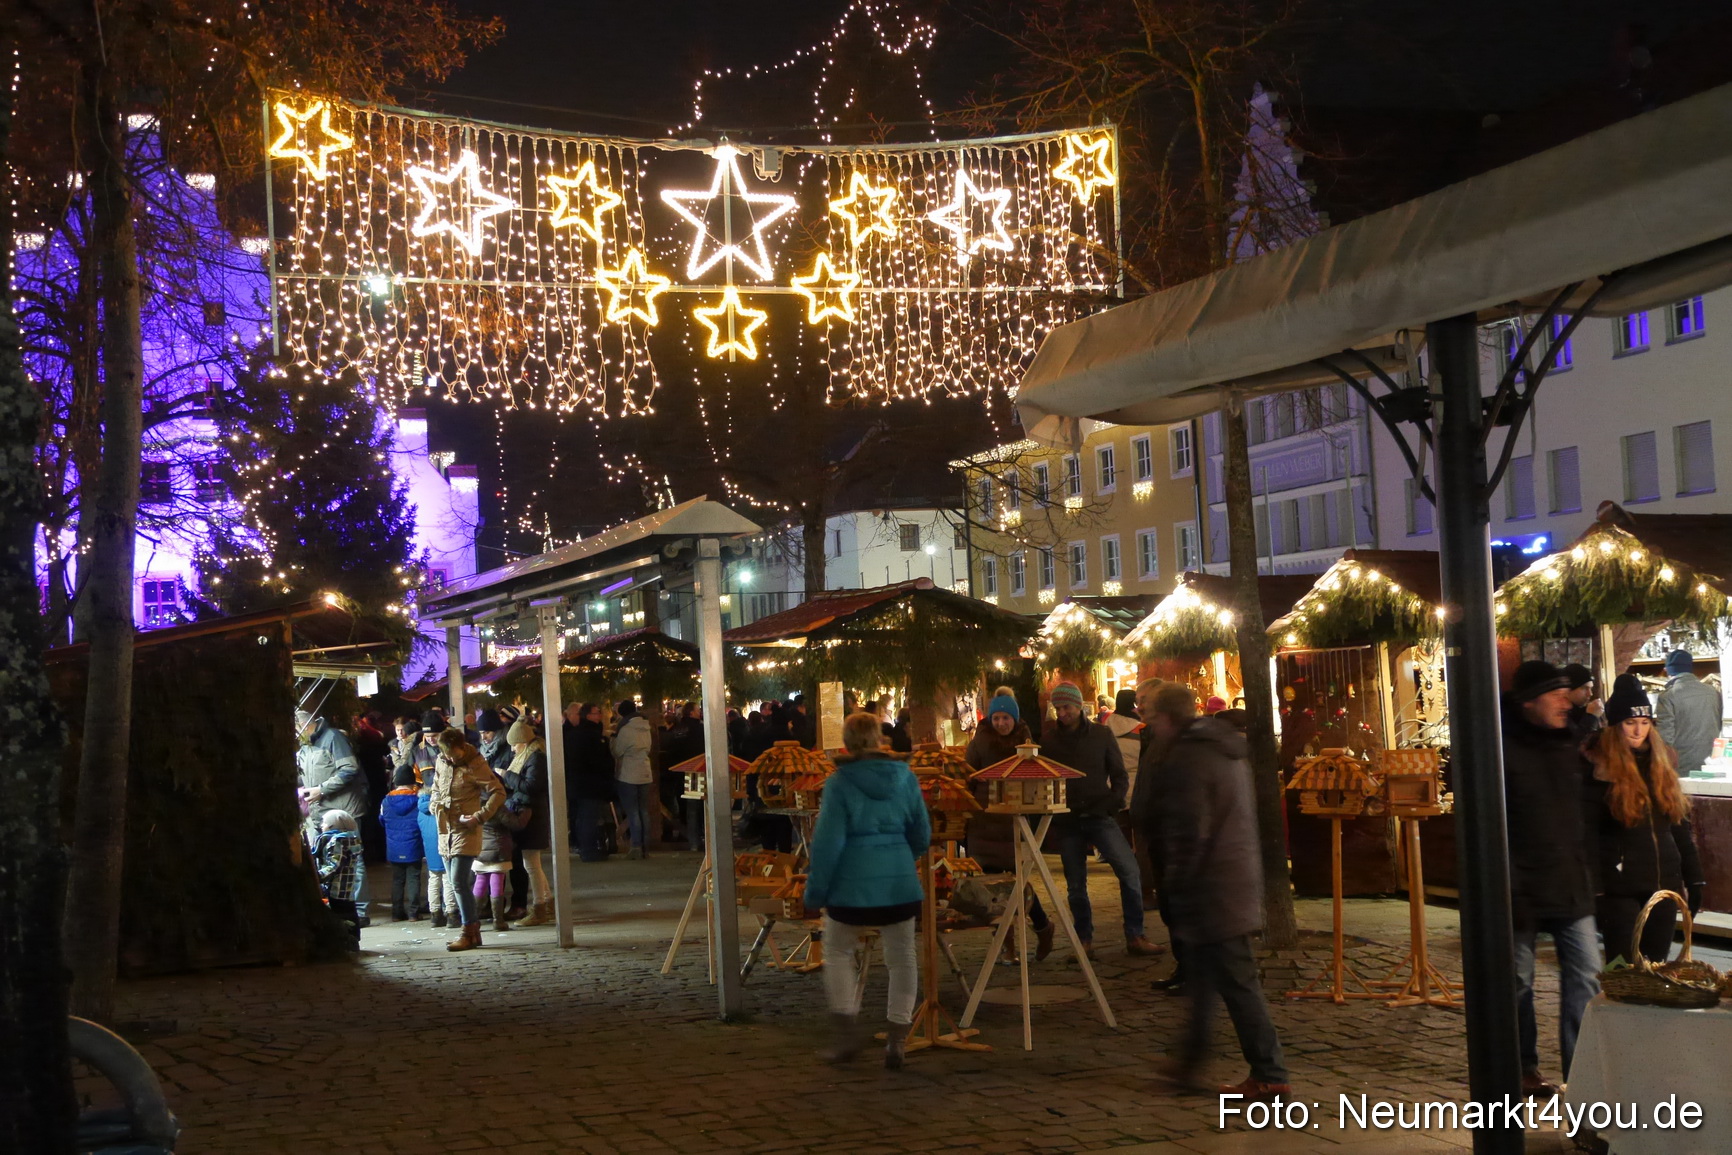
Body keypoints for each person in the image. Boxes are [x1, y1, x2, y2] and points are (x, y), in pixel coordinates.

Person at [1146, 682, 1289, 1099]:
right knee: (1207, 981)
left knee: (1237, 982)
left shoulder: (1190, 757)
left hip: (1214, 886)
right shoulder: (1219, 748)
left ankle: (1270, 1073)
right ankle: (1189, 1066)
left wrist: (1175, 882)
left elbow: (1191, 829)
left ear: (1166, 719)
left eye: (1154, 717)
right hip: (1229, 880)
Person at [804, 712, 930, 1069]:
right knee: (902, 956)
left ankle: (846, 1034)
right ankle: (897, 1041)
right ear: (880, 739)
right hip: (899, 884)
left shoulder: (839, 783)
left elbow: (828, 844)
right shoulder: (905, 777)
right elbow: (922, 831)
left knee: (840, 951)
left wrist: (815, 893)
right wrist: (901, 857)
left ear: (846, 743)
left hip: (850, 890)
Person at [1502, 660, 1601, 1095]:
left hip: (1569, 886)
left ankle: (1579, 1075)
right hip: (1521, 889)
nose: (1566, 701)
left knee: (1586, 976)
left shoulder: (1569, 745)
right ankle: (1522, 1067)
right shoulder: (1502, 751)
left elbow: (1579, 817)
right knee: (1518, 983)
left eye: (1568, 692)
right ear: (1530, 701)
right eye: (1556, 693)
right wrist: (1510, 885)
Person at [1040, 682, 1163, 958]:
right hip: (1068, 819)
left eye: (1067, 707)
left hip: (1099, 814)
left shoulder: (1100, 734)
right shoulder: (1050, 741)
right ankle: (1084, 939)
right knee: (1075, 885)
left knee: (1129, 871)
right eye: (1058, 708)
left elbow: (1119, 774)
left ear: (1079, 706)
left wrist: (1112, 804)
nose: (1062, 713)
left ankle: (1135, 934)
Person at [1589, 677, 1706, 964]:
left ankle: (1649, 1009)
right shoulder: (1599, 766)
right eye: (1630, 722)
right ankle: (1613, 1008)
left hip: (1663, 882)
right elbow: (1588, 830)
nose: (1638, 730)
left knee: (1657, 967)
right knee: (1620, 966)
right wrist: (1596, 885)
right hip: (1619, 886)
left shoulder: (1662, 763)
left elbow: (1679, 826)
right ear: (1616, 725)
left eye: (1644, 722)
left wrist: (1695, 877)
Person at [964, 693, 1055, 961]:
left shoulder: (1026, 741)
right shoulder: (980, 740)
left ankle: (1041, 925)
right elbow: (969, 774)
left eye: (1006, 718)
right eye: (997, 718)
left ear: (1014, 719)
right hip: (985, 820)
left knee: (1018, 882)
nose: (1001, 723)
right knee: (993, 887)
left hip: (1014, 819)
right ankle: (1006, 943)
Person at [431, 727, 505, 951]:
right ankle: (473, 934)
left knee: (459, 881)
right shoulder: (441, 762)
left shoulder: (476, 764)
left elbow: (498, 792)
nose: (450, 758)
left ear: (462, 748)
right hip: (445, 831)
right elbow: (435, 788)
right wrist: (435, 805)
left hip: (466, 830)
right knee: (455, 884)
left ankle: (468, 930)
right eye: (445, 754)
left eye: (453, 754)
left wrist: (479, 816)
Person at [296, 709, 370, 922]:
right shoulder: (307, 745)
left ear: (305, 725)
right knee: (329, 858)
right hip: (322, 811)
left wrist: (321, 789)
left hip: (344, 809)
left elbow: (349, 768)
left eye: (295, 729)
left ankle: (361, 911)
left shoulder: (333, 738)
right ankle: (338, 909)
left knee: (352, 858)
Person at [502, 717, 554, 926]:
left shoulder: (536, 758)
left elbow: (531, 786)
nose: (513, 749)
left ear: (522, 742)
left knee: (531, 863)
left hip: (532, 815)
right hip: (529, 812)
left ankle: (539, 907)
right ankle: (548, 902)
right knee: (532, 863)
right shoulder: (531, 756)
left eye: (514, 745)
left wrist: (507, 776)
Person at [1656, 649, 1722, 776]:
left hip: (1681, 768)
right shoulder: (1713, 692)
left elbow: (1665, 739)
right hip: (1711, 765)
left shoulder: (1667, 696)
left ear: (1668, 670)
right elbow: (1718, 726)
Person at [565, 702, 616, 861]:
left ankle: (585, 848)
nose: (599, 715)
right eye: (596, 712)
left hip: (579, 783)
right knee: (588, 817)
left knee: (583, 817)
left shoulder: (576, 734)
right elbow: (598, 761)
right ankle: (589, 850)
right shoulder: (591, 735)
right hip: (590, 784)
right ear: (588, 716)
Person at [378, 766, 424, 921]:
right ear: (412, 782)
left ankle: (396, 913)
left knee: (397, 880)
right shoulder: (418, 800)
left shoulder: (386, 801)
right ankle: (413, 913)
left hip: (394, 847)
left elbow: (382, 820)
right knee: (413, 878)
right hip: (414, 846)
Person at [611, 698, 655, 859]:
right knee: (643, 810)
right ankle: (645, 846)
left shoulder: (625, 729)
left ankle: (636, 845)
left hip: (629, 773)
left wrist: (612, 740)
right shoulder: (646, 727)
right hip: (645, 771)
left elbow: (617, 751)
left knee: (633, 812)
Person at [314, 810, 364, 948]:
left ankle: (349, 942)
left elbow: (334, 865)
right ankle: (354, 940)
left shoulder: (338, 841)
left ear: (333, 825)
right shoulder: (351, 839)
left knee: (342, 915)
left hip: (338, 886)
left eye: (324, 823)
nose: (321, 825)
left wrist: (318, 876)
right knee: (350, 911)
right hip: (348, 886)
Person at [1106, 688, 1143, 791]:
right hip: (1136, 789)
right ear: (1134, 705)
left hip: (1110, 788)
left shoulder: (1105, 727)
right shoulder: (1142, 730)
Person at [1562, 664, 1603, 747]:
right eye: (1584, 688)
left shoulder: (1582, 711)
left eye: (1591, 688)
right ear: (1569, 689)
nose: (1590, 694)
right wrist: (1591, 717)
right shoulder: (1559, 715)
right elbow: (1577, 745)